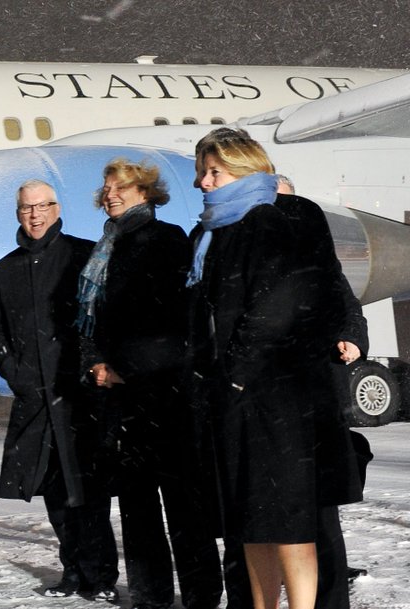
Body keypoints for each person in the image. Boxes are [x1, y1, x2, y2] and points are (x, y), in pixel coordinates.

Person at [187, 127, 361, 609]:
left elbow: (275, 307)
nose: (203, 182)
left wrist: (236, 371)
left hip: (277, 401)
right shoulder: (213, 232)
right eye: (201, 171)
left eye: (214, 171)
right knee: (249, 524)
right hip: (238, 401)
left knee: (289, 522)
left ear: (245, 171)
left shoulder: (271, 222)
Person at [80, 160, 222, 609]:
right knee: (136, 506)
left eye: (121, 187)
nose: (111, 194)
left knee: (183, 504)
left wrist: (126, 366)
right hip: (120, 399)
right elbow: (90, 320)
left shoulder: (165, 240)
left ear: (146, 192)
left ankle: (201, 593)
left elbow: (174, 323)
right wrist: (98, 362)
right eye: (107, 187)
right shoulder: (105, 244)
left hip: (166, 395)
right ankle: (150, 594)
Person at [0, 179, 120, 603]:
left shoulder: (83, 255)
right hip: (36, 400)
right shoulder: (5, 270)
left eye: (42, 207)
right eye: (27, 209)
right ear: (18, 213)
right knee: (55, 494)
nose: (35, 215)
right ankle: (73, 572)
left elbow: (104, 315)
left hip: (82, 399)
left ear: (57, 209)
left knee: (90, 493)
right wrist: (15, 373)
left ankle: (102, 576)